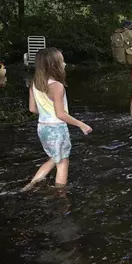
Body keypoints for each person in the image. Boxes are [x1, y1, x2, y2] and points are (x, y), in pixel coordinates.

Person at [21, 48, 92, 191]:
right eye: (62, 61)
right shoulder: (57, 86)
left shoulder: (34, 84)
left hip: (42, 128)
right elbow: (60, 114)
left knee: (54, 158)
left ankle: (30, 185)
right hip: (57, 130)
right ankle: (60, 194)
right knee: (62, 162)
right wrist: (81, 124)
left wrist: (47, 113)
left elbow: (32, 109)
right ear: (54, 65)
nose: (64, 64)